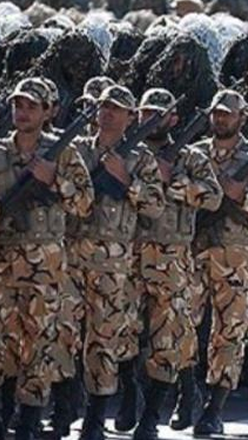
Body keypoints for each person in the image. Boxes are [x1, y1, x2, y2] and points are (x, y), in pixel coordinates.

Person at [0, 78, 93, 440]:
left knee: (39, 342)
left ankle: (28, 419)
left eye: (31, 107)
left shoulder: (63, 153)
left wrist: (55, 179)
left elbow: (84, 204)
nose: (22, 113)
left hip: (46, 262)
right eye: (18, 105)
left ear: (47, 112)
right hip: (1, 258)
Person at [187, 90, 248, 434]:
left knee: (229, 331)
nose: (221, 119)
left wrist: (242, 197)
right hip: (195, 250)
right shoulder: (196, 154)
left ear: (241, 118)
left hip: (236, 257)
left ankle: (214, 407)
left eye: (228, 115)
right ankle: (188, 392)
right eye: (217, 113)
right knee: (183, 324)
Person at [124, 88, 223, 440]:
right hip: (128, 255)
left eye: (158, 113)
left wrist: (174, 182)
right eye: (145, 111)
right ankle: (127, 397)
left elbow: (213, 196)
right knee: (122, 333)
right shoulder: (128, 153)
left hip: (172, 258)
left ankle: (150, 417)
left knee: (166, 340)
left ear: (173, 119)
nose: (150, 118)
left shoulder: (190, 158)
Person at [69, 85, 165, 440]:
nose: (107, 113)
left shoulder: (140, 159)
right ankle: (61, 412)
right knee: (62, 337)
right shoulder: (77, 149)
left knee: (103, 341)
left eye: (116, 109)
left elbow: (155, 206)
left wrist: (125, 178)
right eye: (103, 107)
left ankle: (95, 419)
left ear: (129, 117)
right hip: (71, 257)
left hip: (114, 264)